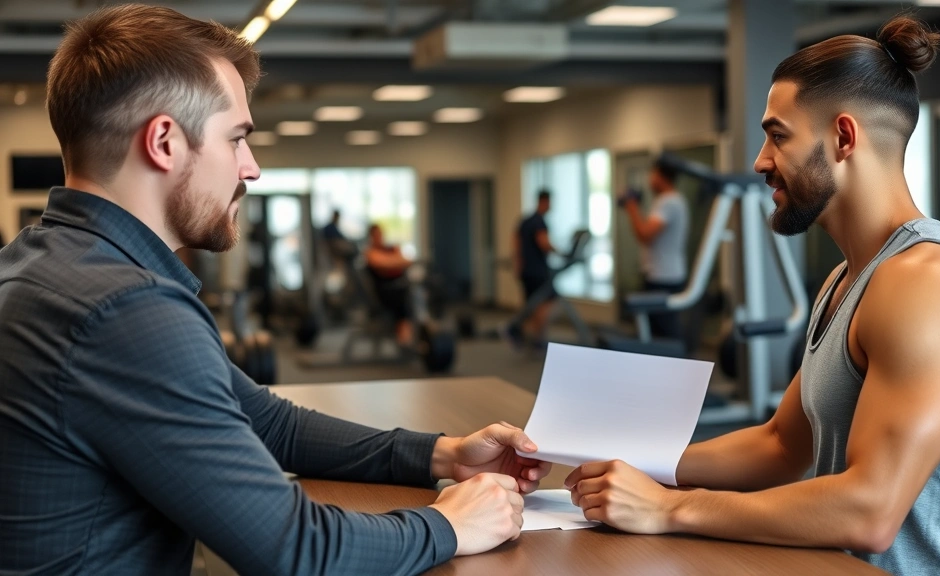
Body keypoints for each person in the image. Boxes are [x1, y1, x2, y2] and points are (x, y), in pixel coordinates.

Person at [0, 6, 551, 576]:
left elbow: (264, 420)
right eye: (237, 138)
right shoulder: (124, 309)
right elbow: (294, 550)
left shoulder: (35, 264)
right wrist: (451, 523)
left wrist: (445, 454)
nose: (252, 167)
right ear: (164, 141)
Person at [565, 16, 940, 576]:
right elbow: (780, 445)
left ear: (844, 138)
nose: (760, 160)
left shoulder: (929, 283)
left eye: (778, 135)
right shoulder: (844, 280)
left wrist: (668, 507)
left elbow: (870, 511)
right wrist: (625, 463)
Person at [620, 155, 690, 338]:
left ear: (660, 175)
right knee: (656, 330)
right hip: (662, 274)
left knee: (664, 333)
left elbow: (645, 235)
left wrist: (632, 207)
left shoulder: (669, 201)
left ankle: (675, 365)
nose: (650, 179)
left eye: (652, 173)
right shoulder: (668, 200)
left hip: (663, 277)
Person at [510, 189, 558, 346]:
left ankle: (526, 335)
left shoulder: (525, 220)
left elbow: (516, 241)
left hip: (527, 270)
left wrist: (518, 263)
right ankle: (537, 337)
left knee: (530, 303)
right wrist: (559, 251)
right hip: (537, 271)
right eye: (550, 202)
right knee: (545, 301)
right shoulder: (539, 221)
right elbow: (543, 243)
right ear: (545, 202)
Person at [365, 223, 416, 346]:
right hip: (385, 293)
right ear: (371, 236)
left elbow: (407, 260)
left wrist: (396, 259)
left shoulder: (389, 248)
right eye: (376, 235)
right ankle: (404, 339)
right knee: (403, 300)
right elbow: (384, 263)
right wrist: (396, 259)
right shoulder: (370, 252)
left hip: (397, 287)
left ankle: (411, 334)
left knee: (414, 292)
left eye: (380, 234)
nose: (379, 237)